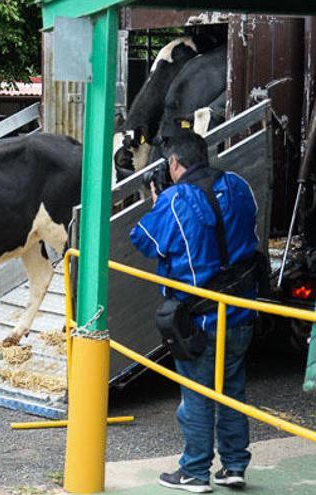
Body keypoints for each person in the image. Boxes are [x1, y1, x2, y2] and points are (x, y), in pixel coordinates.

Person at [130, 131, 258, 493]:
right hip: (242, 312)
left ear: (173, 163)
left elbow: (143, 241)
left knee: (197, 396)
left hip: (198, 321)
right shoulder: (237, 184)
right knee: (232, 390)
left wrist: (156, 202)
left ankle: (194, 472)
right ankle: (234, 467)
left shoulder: (173, 200)